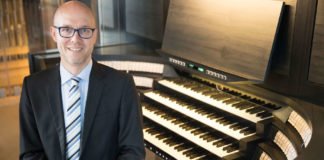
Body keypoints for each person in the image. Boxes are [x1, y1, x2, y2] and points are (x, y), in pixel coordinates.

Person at [19, 1, 145, 160]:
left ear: (94, 35)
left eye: (84, 30)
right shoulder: (32, 88)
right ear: (54, 34)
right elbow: (30, 153)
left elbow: (133, 152)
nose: (75, 39)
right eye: (66, 30)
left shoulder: (122, 85)